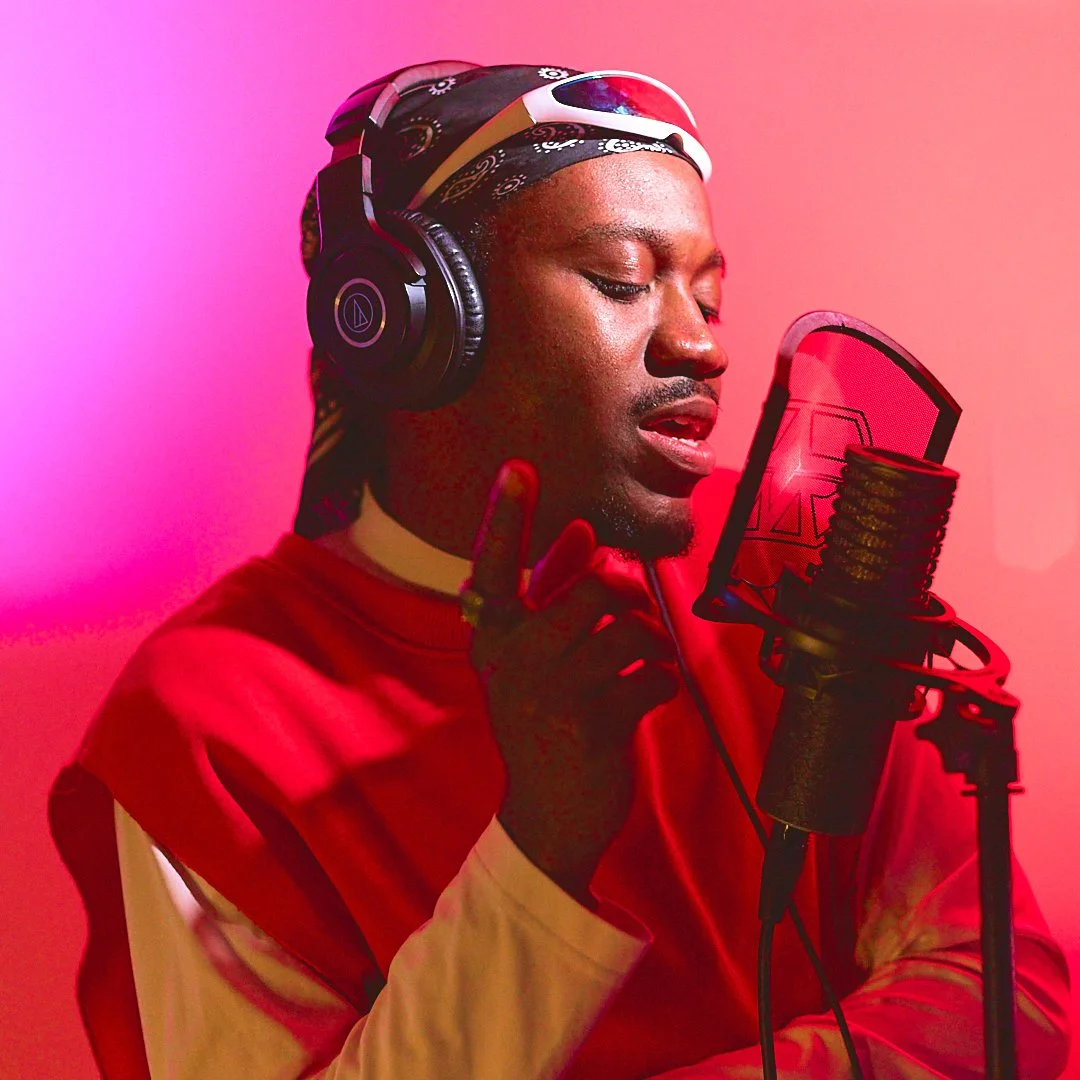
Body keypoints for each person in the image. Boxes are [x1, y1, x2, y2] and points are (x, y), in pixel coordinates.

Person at [50, 61, 1070, 1079]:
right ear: (419, 326)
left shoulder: (783, 569)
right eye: (623, 280)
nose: (700, 345)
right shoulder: (201, 730)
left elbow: (1004, 996)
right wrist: (539, 847)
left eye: (708, 297)